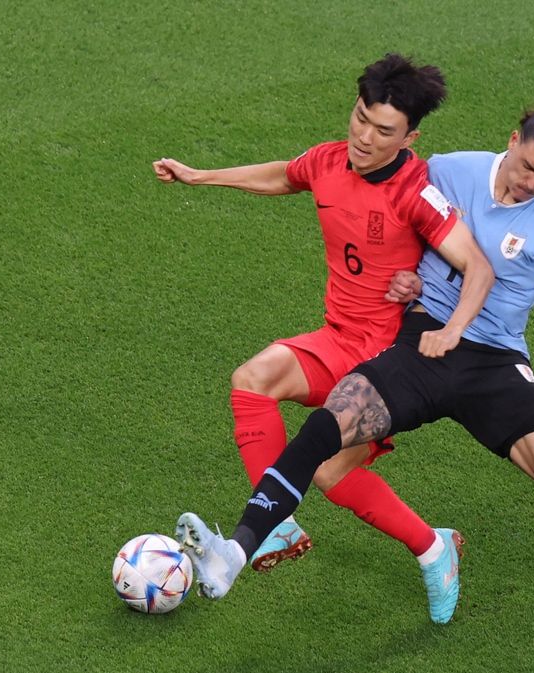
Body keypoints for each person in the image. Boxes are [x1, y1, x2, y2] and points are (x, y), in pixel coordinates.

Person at [175, 97, 534, 671]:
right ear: (511, 140)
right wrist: (401, 280)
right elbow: (394, 215)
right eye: (527, 166)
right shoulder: (450, 170)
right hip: (421, 345)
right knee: (326, 427)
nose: (532, 183)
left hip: (494, 366)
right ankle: (236, 551)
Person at [153, 54, 493, 575]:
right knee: (251, 379)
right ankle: (277, 528)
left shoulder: (414, 193)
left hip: (387, 364)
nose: (363, 136)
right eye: (360, 116)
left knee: (331, 474)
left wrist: (450, 328)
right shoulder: (330, 161)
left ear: (410, 138)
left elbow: (477, 266)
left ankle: (432, 548)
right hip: (339, 338)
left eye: (383, 130)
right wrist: (199, 177)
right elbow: (282, 176)